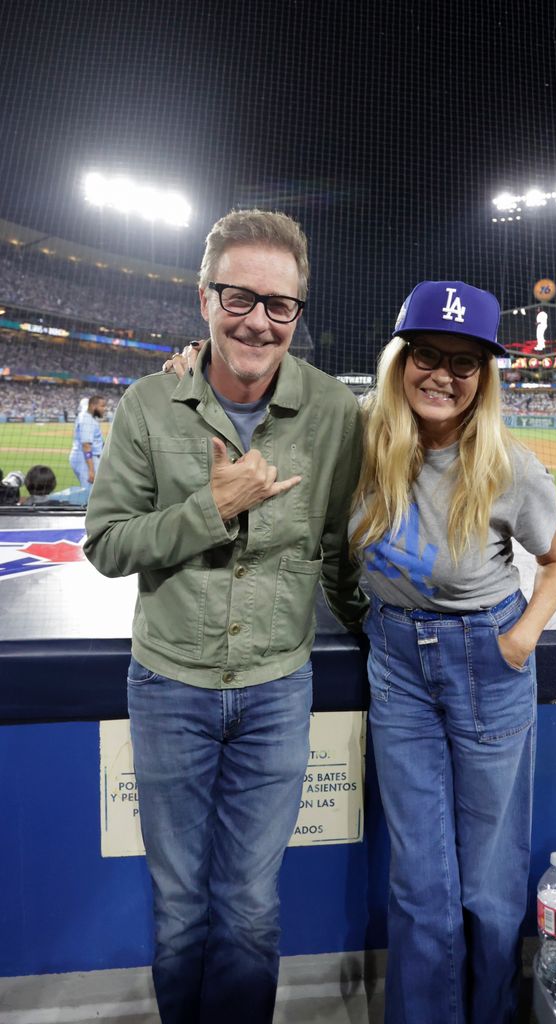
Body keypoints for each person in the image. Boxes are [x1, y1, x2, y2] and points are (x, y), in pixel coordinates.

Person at [83, 209, 367, 1024]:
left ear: (298, 313)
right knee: (180, 910)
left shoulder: (333, 412)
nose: (258, 321)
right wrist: (212, 508)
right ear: (203, 297)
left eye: (280, 305)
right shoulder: (148, 404)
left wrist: (391, 642)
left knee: (249, 907)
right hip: (169, 685)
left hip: (278, 689)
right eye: (238, 297)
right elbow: (106, 543)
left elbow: (341, 553)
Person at [349, 280, 556, 1024]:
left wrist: (520, 639)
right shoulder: (365, 437)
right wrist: (195, 361)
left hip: (486, 660)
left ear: (484, 376)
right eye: (426, 354)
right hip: (396, 664)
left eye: (464, 362)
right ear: (399, 361)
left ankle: (490, 1012)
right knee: (419, 880)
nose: (442, 375)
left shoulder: (509, 464)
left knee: (487, 879)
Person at [69, 394, 106, 496]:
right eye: (102, 406)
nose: (105, 409)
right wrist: (91, 470)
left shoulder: (89, 417)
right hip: (85, 460)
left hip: (86, 458)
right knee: (91, 493)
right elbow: (86, 446)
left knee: (95, 492)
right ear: (93, 406)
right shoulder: (87, 419)